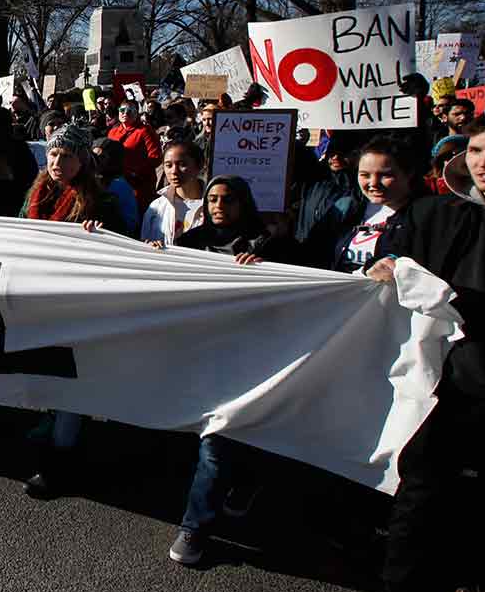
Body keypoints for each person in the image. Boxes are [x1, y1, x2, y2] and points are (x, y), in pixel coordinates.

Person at [369, 113, 485, 592]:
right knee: (419, 492)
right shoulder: (439, 215)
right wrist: (386, 266)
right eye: (476, 151)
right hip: (437, 387)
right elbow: (395, 260)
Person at [165, 176, 298, 566]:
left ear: (244, 203)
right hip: (198, 353)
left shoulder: (270, 244)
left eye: (228, 199)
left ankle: (195, 527)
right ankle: (244, 480)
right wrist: (157, 255)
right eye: (212, 199)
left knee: (216, 442)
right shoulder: (190, 242)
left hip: (246, 356)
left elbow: (302, 286)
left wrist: (270, 268)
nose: (219, 205)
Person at [16, 122, 123, 497]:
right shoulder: (36, 192)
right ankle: (54, 422)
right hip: (38, 297)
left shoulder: (102, 203)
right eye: (53, 153)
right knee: (47, 370)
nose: (57, 160)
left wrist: (101, 240)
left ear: (82, 160)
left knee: (71, 378)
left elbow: (123, 253)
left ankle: (59, 460)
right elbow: (15, 231)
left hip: (77, 305)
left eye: (66, 154)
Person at [302, 136, 419, 273]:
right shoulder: (346, 208)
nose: (373, 183)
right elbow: (311, 256)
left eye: (385, 175)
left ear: (409, 173)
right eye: (365, 175)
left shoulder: (424, 216)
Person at [140, 141, 207, 246]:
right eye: (168, 165)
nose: (174, 171)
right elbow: (144, 242)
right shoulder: (156, 207)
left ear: (199, 165)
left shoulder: (215, 206)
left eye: (182, 164)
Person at [107, 100, 164, 212]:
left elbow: (156, 157)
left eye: (130, 111)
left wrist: (135, 170)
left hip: (139, 184)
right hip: (116, 181)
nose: (125, 113)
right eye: (122, 110)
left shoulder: (145, 131)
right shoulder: (113, 132)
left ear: (136, 113)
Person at [91, 138, 140, 237]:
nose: (96, 160)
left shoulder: (120, 186)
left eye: (102, 156)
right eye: (94, 156)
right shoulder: (91, 181)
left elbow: (130, 225)